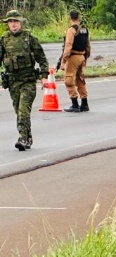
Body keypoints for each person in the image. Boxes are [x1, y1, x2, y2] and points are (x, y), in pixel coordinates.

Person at [0, 10, 49, 151]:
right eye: (10, 22)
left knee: (23, 110)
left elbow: (42, 58)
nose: (13, 24)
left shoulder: (29, 38)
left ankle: (21, 138)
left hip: (28, 80)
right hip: (13, 81)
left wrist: (44, 77)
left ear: (20, 22)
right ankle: (28, 137)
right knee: (18, 110)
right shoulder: (4, 39)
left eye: (15, 21)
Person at [60, 10, 91, 112]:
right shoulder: (85, 30)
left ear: (70, 18)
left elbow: (68, 46)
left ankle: (75, 104)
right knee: (80, 80)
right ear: (79, 18)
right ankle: (84, 103)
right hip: (82, 56)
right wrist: (85, 57)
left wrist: (63, 61)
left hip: (73, 57)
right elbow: (88, 46)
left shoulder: (71, 30)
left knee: (69, 80)